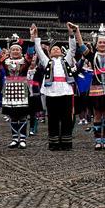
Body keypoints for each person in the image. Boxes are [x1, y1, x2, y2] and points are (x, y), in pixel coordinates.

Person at [34, 23, 78, 151]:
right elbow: (39, 50)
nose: (56, 50)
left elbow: (73, 48)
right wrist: (36, 36)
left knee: (66, 118)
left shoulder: (67, 60)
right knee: (52, 118)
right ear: (50, 53)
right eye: (53, 49)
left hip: (65, 91)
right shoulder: (47, 61)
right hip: (51, 92)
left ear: (62, 52)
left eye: (58, 49)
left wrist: (71, 34)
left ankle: (66, 143)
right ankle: (53, 143)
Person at [79, 25, 105, 150]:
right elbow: (81, 46)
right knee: (97, 115)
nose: (102, 44)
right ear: (96, 44)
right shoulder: (92, 56)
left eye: (104, 42)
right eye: (100, 42)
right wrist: (77, 32)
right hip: (96, 90)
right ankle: (98, 140)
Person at [0, 28, 35, 148]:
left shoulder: (25, 61)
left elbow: (30, 52)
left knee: (23, 115)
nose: (15, 51)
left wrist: (32, 37)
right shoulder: (5, 61)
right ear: (10, 51)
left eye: (17, 49)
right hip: (9, 90)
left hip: (22, 90)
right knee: (13, 115)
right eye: (13, 49)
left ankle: (23, 139)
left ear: (20, 51)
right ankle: (14, 138)